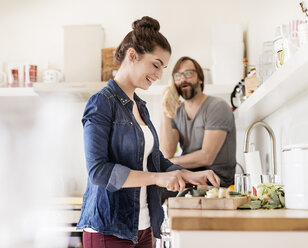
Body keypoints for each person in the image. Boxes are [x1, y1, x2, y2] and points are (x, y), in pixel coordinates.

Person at [76, 17, 220, 247]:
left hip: (143, 228)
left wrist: (188, 175)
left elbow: (155, 160)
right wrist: (158, 179)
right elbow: (98, 171)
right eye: (155, 64)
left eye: (162, 68)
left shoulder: (140, 106)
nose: (159, 75)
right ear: (132, 56)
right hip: (109, 230)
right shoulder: (102, 103)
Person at [160, 56, 236, 191]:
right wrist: (166, 109)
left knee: (158, 190)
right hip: (190, 177)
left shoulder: (217, 107)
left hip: (217, 182)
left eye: (188, 73)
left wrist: (166, 164)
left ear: (200, 78)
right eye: (177, 76)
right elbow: (167, 152)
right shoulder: (177, 112)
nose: (183, 79)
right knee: (155, 188)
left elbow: (206, 157)